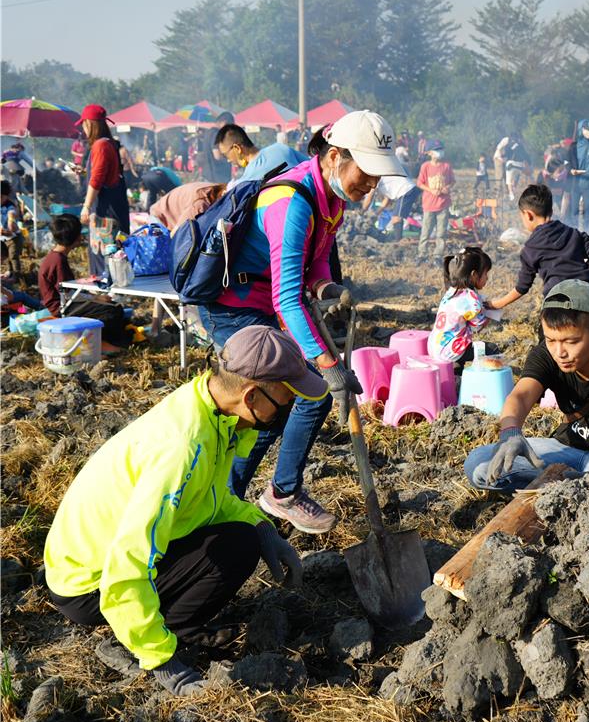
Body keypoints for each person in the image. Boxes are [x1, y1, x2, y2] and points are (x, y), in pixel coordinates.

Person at [44, 325, 314, 696]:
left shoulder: (209, 409)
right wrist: (164, 663)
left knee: (244, 537)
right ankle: (164, 633)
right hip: (90, 583)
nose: (288, 409)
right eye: (285, 400)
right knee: (236, 548)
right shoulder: (184, 447)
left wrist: (263, 526)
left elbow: (210, 498)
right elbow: (126, 567)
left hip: (95, 558)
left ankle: (164, 623)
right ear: (252, 396)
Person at [198, 110, 406, 533]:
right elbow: (286, 297)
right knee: (292, 397)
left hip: (266, 306)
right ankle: (261, 495)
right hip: (235, 306)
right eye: (364, 173)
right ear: (334, 156)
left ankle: (248, 494)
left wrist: (328, 287)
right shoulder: (292, 201)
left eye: (375, 177)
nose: (369, 186)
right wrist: (328, 366)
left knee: (292, 399)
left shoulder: (331, 202)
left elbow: (312, 268)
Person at [464, 280, 589, 491]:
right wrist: (510, 432)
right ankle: (557, 492)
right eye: (551, 340)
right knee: (478, 463)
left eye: (571, 342)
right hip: (563, 449)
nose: (559, 352)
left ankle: (559, 490)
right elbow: (520, 396)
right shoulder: (545, 354)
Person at [488, 185, 589, 313]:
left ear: (528, 215)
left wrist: (497, 304)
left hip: (558, 302)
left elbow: (522, 287)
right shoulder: (574, 233)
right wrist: (581, 271)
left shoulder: (531, 248)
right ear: (551, 211)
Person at [37, 214, 128, 353]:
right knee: (112, 311)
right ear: (74, 238)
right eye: (79, 234)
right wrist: (96, 298)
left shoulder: (54, 257)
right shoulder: (58, 261)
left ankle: (102, 342)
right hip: (62, 308)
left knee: (112, 307)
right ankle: (98, 345)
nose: (81, 237)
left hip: (64, 303)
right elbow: (67, 294)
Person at [76, 104, 130, 277]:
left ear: (90, 124)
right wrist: (85, 172)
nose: (83, 129)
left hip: (105, 213)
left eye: (84, 124)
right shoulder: (109, 144)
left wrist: (86, 206)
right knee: (115, 256)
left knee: (105, 258)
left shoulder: (100, 146)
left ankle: (106, 296)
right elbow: (105, 174)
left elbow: (98, 178)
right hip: (113, 208)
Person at [428, 247, 494, 366]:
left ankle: (457, 372)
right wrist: (492, 314)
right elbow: (477, 327)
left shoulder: (453, 291)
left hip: (436, 347)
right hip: (450, 350)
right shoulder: (470, 298)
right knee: (491, 349)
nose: (487, 278)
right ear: (474, 275)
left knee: (463, 344)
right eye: (485, 274)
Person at [214, 125, 307, 187]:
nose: (228, 160)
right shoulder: (281, 148)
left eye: (225, 155)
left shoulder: (247, 181)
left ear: (237, 148)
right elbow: (311, 166)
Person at [416, 147, 455, 263]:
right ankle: (422, 254)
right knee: (425, 231)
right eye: (436, 150)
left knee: (441, 232)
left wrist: (447, 187)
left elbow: (453, 181)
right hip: (429, 204)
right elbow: (419, 183)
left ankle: (438, 255)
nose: (439, 152)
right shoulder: (426, 166)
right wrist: (431, 190)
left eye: (441, 150)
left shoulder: (446, 166)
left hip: (443, 204)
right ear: (429, 153)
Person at [149, 182, 227, 232]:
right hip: (160, 219)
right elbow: (177, 232)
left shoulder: (215, 187)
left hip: (162, 209)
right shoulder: (200, 203)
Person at [200, 112, 235, 183]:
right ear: (224, 122)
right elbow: (217, 156)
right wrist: (229, 158)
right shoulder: (217, 134)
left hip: (208, 175)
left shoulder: (208, 132)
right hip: (217, 177)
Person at [1, 180, 24, 281]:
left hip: (13, 237)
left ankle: (16, 275)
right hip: (3, 237)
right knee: (5, 255)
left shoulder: (9, 206)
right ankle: (9, 271)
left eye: (1, 197)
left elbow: (12, 215)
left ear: (6, 196)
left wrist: (11, 223)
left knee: (13, 256)